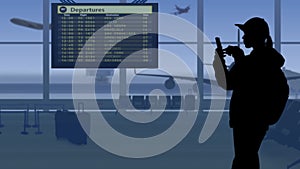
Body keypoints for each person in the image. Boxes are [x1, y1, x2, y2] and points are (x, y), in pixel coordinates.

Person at [213, 17, 289, 169]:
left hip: (246, 118)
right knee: (248, 156)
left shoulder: (251, 62)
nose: (243, 37)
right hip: (259, 120)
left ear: (255, 36)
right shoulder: (269, 60)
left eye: (246, 34)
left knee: (244, 158)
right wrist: (240, 59)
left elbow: (227, 83)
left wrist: (219, 61)